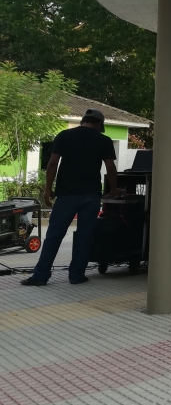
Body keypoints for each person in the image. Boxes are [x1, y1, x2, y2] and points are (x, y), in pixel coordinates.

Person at [21, 109, 119, 286]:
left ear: (83, 121)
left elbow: (52, 163)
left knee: (54, 235)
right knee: (85, 236)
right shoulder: (103, 140)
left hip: (66, 194)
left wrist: (48, 189)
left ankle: (40, 276)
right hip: (91, 195)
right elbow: (110, 168)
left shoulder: (64, 135)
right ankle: (76, 276)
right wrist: (114, 189)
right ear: (99, 124)